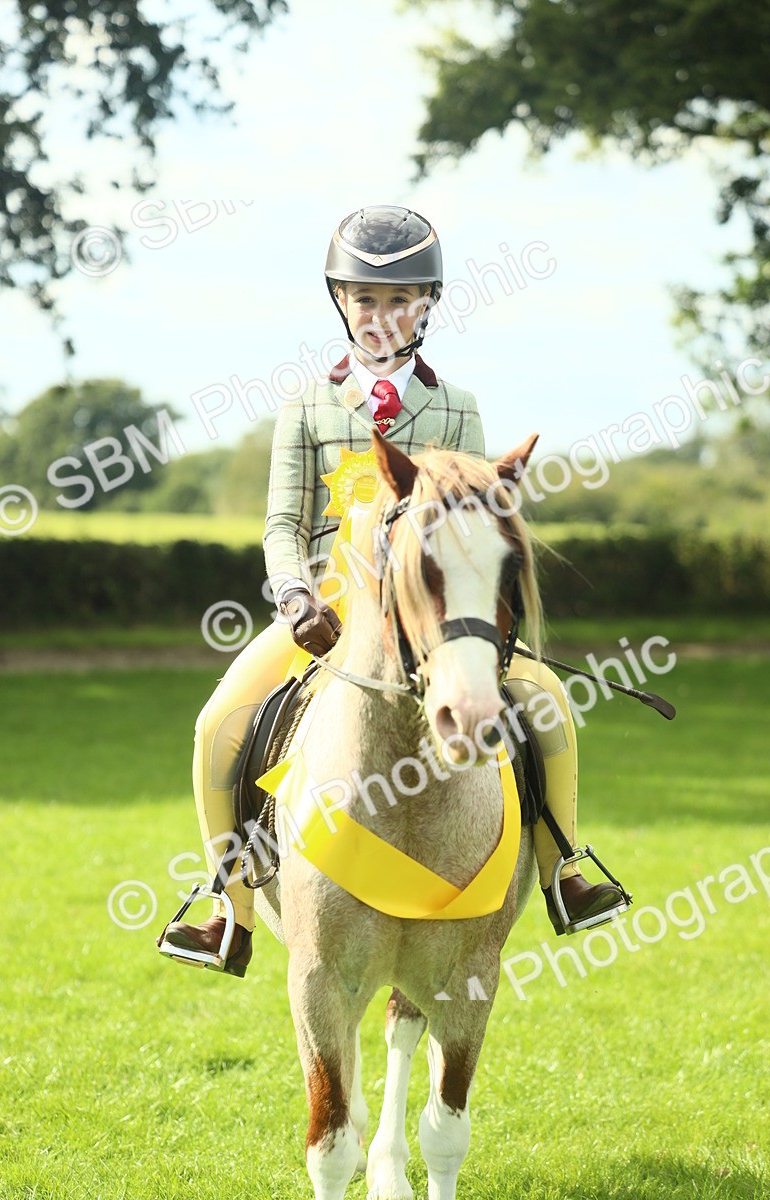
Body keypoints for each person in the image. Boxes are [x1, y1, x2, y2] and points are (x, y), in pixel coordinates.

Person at [157, 205, 626, 977]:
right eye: (366, 299)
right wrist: (294, 597)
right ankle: (228, 907)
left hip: (432, 616)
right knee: (217, 724)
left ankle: (564, 870)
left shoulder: (457, 408)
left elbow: (478, 519)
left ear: (428, 304)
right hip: (326, 614)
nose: (381, 315)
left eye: (399, 299)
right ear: (340, 302)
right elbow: (283, 522)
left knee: (547, 701)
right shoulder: (306, 405)